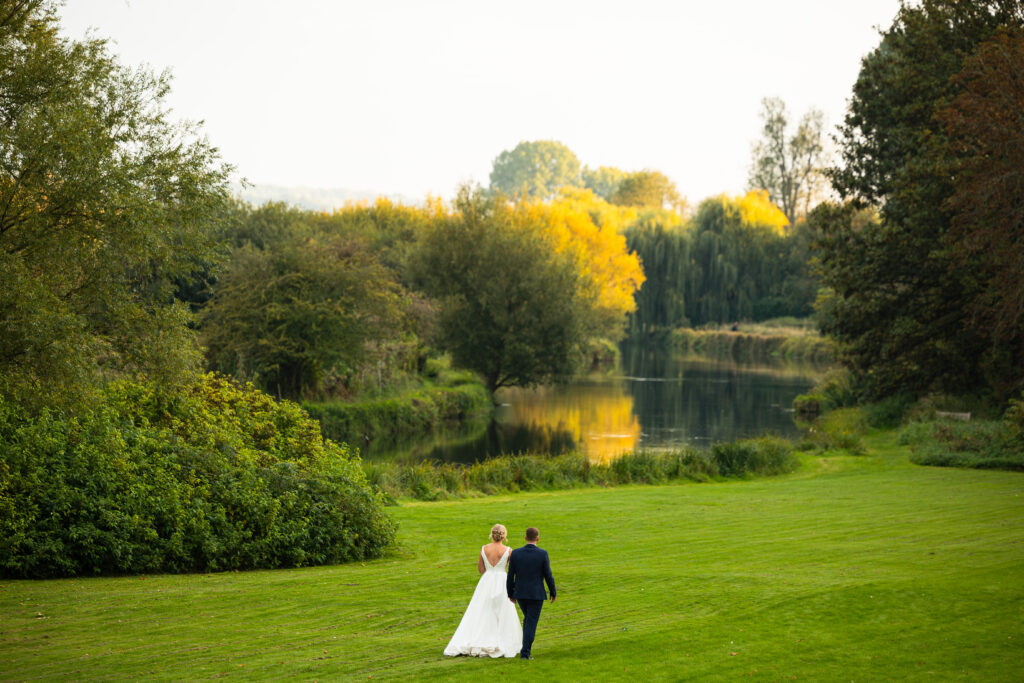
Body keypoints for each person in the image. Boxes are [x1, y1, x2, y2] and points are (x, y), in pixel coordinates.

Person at [443, 524, 523, 657]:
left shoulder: (484, 549)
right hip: (502, 580)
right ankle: (502, 638)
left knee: (482, 610)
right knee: (503, 611)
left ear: (492, 534)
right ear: (504, 535)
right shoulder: (508, 550)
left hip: (486, 581)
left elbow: (481, 570)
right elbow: (513, 570)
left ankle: (479, 637)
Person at [506, 526, 556, 659]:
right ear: (538, 538)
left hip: (520, 593)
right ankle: (525, 653)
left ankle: (524, 650)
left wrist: (510, 593)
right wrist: (553, 591)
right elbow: (548, 575)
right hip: (536, 594)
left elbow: (510, 576)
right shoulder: (542, 554)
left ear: (525, 538)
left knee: (528, 620)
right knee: (531, 623)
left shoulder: (516, 553)